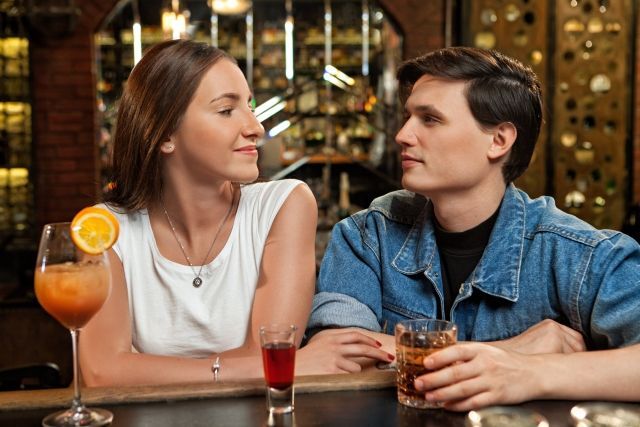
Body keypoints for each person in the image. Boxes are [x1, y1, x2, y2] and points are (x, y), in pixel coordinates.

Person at [307, 46, 640, 409]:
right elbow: (337, 360)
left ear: (499, 140)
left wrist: (530, 372)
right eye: (407, 117)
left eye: (429, 119)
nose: (402, 134)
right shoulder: (368, 236)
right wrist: (510, 351)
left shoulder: (577, 254)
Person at [80, 40, 392, 387]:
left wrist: (144, 370)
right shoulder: (103, 229)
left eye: (250, 106)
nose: (256, 127)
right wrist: (278, 366)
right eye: (227, 110)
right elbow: (101, 373)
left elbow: (269, 350)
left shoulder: (284, 205)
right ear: (165, 134)